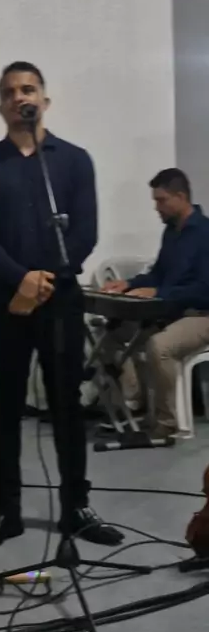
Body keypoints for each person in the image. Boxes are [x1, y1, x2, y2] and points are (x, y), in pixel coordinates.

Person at [0, 61, 124, 553]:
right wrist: (21, 279)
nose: (20, 97)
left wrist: (45, 280)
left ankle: (76, 506)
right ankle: (5, 512)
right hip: (7, 301)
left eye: (28, 89)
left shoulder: (73, 161)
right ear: (0, 105)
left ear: (44, 101)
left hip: (61, 299)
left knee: (67, 405)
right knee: (6, 407)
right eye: (10, 91)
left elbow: (85, 233)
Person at [103, 168, 209, 443]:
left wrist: (159, 292)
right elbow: (158, 274)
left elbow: (204, 289)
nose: (156, 207)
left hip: (202, 314)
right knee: (112, 335)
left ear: (181, 197)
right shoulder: (171, 233)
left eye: (161, 200)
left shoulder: (205, 233)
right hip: (174, 311)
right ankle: (134, 403)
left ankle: (166, 423)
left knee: (159, 346)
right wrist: (128, 283)